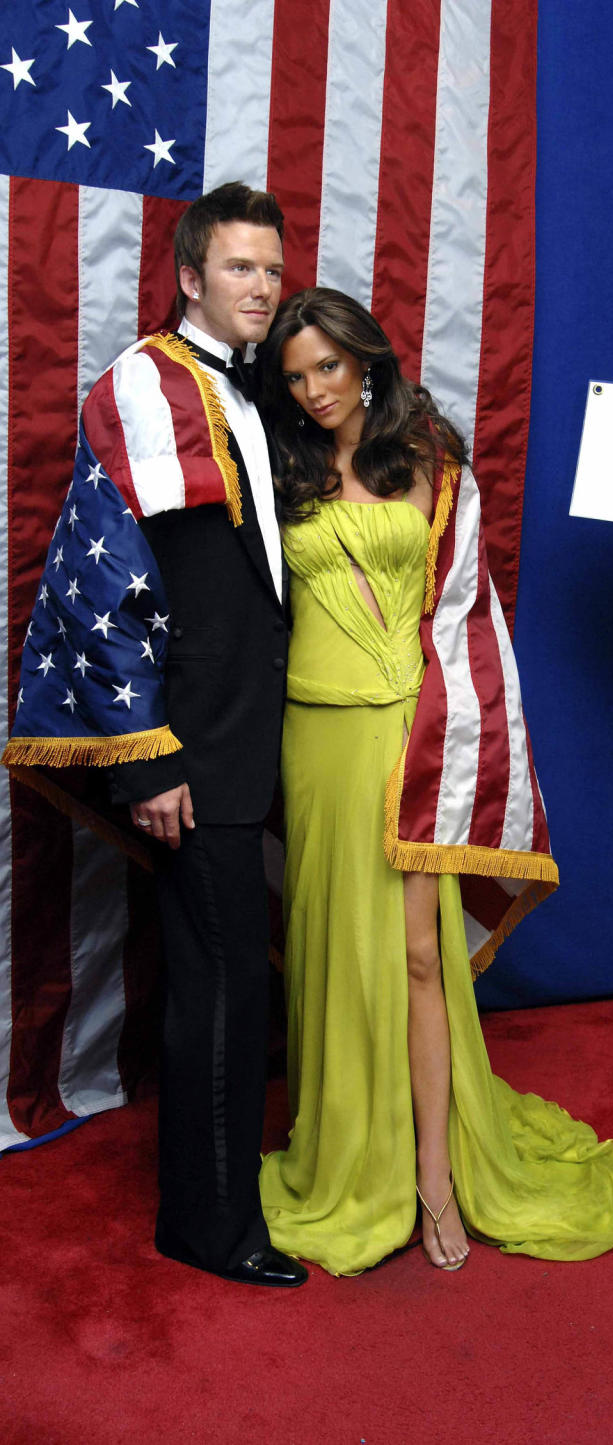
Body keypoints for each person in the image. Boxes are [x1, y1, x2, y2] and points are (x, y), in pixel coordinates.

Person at [255, 288, 613, 1274]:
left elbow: (465, 614)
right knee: (328, 952)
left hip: (411, 735)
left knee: (421, 957)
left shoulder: (427, 454)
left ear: (365, 359)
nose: (315, 390)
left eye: (329, 367)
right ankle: (345, 1155)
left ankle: (434, 1171)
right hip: (315, 737)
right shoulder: (275, 460)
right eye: (297, 374)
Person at [4, 183, 306, 1287]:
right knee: (219, 989)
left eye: (272, 268)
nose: (263, 287)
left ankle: (230, 1189)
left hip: (259, 736)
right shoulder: (147, 383)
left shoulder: (259, 389)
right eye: (239, 268)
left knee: (244, 978)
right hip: (197, 747)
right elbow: (106, 586)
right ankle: (210, 1225)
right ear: (188, 276)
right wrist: (145, 753)